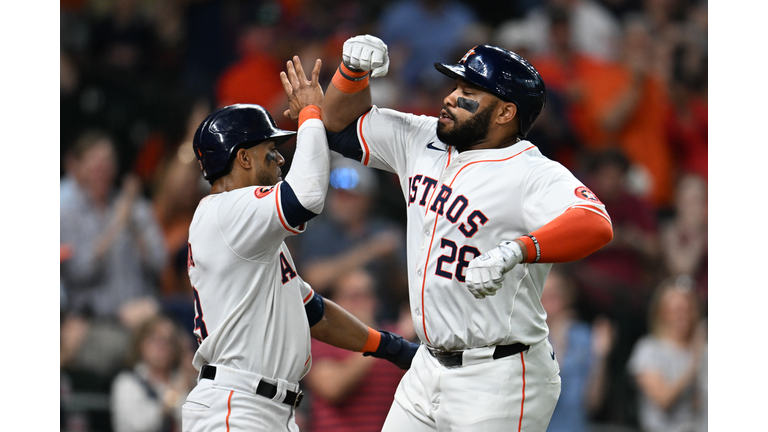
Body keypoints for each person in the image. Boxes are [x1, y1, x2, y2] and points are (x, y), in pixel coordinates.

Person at [320, 35, 614, 431]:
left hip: (498, 375)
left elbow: (596, 221)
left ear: (506, 112)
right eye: (456, 86)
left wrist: (518, 250)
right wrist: (352, 73)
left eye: (469, 91)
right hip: (426, 367)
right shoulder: (420, 137)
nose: (451, 97)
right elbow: (336, 122)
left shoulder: (531, 172)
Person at [181, 56, 418, 432]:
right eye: (268, 150)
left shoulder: (250, 228)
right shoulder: (226, 211)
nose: (279, 158)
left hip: (267, 409)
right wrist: (311, 113)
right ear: (241, 158)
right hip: (236, 407)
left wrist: (394, 348)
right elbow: (307, 196)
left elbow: (313, 312)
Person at [303, 268, 414, 432]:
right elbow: (332, 388)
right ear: (335, 303)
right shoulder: (321, 342)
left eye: (366, 295)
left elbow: (416, 393)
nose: (361, 303)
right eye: (353, 296)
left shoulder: (396, 337)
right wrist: (380, 342)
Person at [627, 276, 707, 432]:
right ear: (661, 313)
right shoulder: (648, 349)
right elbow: (663, 400)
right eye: (675, 310)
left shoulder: (705, 351)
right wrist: (693, 364)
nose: (682, 316)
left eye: (687, 309)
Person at [540, 267, 614, 432]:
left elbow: (594, 402)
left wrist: (601, 356)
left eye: (554, 296)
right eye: (542, 297)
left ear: (567, 297)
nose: (548, 305)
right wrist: (559, 342)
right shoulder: (528, 340)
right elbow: (545, 396)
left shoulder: (584, 336)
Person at [110, 314, 198, 432]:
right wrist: (173, 395)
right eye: (156, 340)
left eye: (168, 341)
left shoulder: (183, 379)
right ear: (141, 344)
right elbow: (140, 425)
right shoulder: (127, 382)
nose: (162, 347)